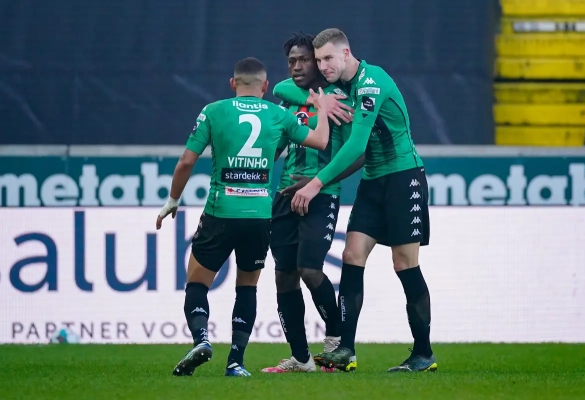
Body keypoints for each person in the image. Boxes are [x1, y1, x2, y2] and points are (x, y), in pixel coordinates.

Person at [273, 28, 437, 373]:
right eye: (319, 60)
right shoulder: (341, 88)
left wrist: (316, 183)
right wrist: (317, 102)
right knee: (351, 255)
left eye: (328, 59)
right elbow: (283, 88)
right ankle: (344, 348)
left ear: (346, 53)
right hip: (373, 181)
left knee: (404, 263)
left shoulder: (371, 82)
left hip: (403, 177)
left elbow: (357, 146)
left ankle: (423, 353)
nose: (322, 66)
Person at [156, 57, 331, 377]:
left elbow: (186, 162)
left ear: (232, 83)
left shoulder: (213, 111)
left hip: (220, 212)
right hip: (259, 216)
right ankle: (236, 361)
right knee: (247, 287)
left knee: (197, 281)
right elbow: (320, 141)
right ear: (265, 86)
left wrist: (173, 200)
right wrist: (323, 110)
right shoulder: (278, 114)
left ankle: (201, 339)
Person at [260, 32, 364, 374]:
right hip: (285, 195)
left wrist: (320, 182)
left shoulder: (338, 101)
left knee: (308, 268)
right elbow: (275, 145)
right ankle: (301, 359)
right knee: (284, 276)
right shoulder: (288, 103)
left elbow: (359, 154)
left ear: (318, 64)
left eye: (305, 60)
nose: (297, 66)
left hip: (322, 195)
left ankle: (334, 344)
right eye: (292, 61)